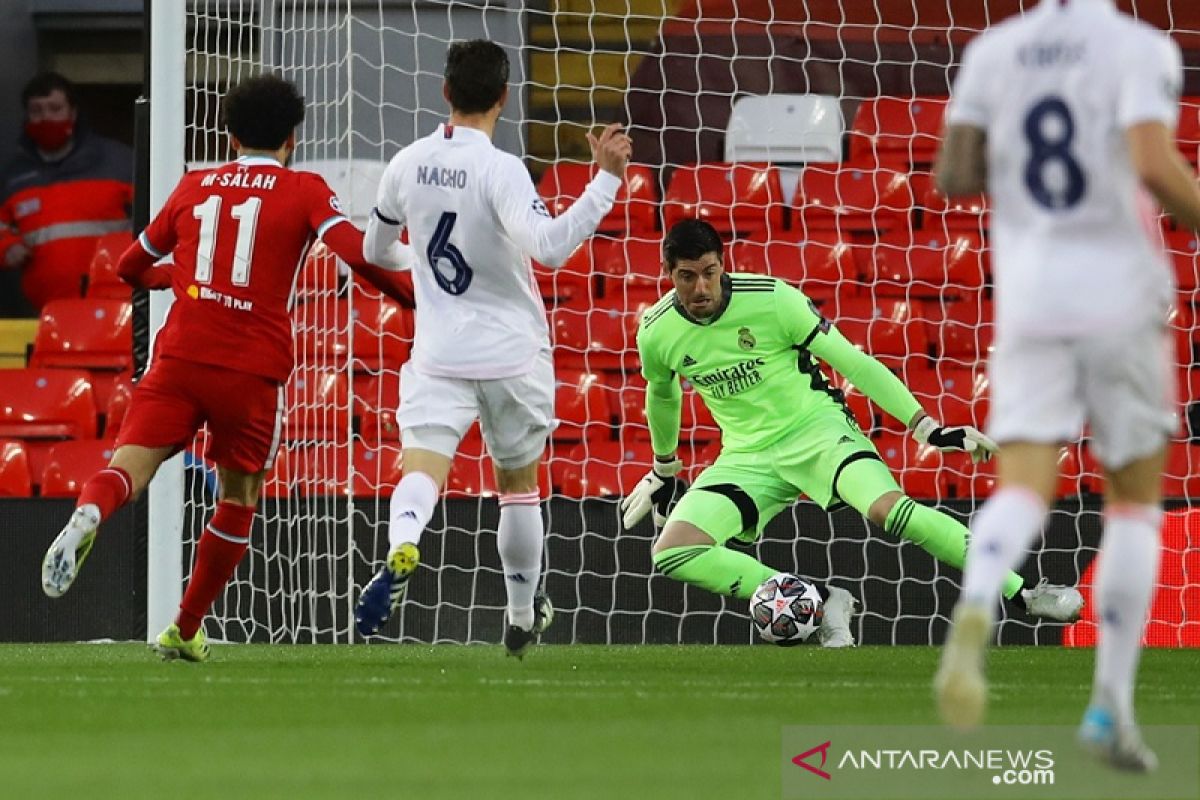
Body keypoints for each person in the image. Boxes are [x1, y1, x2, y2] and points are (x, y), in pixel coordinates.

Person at [39, 74, 412, 662]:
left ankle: (91, 511)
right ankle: (185, 629)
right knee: (239, 497)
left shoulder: (195, 184)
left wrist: (181, 282)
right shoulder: (305, 188)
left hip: (181, 354)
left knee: (127, 469)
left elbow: (132, 265)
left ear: (229, 134)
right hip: (251, 369)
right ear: (292, 137)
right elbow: (357, 254)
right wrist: (417, 298)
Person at [931, 0, 1200, 771]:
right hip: (1120, 294)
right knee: (1134, 504)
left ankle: (979, 597)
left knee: (1021, 487)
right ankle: (1110, 708)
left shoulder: (994, 49)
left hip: (1031, 296)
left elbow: (953, 176)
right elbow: (1151, 162)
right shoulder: (1138, 47)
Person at [621, 218, 1086, 647]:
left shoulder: (773, 300)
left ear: (723, 265)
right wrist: (664, 466)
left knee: (890, 511)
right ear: (668, 273)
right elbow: (662, 395)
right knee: (673, 552)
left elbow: (855, 363)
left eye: (709, 272)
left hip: (820, 432)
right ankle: (822, 601)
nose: (701, 287)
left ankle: (1024, 593)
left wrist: (926, 427)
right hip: (747, 456)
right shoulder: (658, 332)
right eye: (687, 276)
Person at [356, 39, 631, 658]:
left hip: (438, 355)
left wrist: (419, 262)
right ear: (504, 99)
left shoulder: (406, 162)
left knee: (422, 468)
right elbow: (551, 247)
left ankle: (404, 541)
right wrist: (605, 182)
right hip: (511, 356)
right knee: (518, 488)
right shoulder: (501, 167)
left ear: (445, 91)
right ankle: (517, 615)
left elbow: (375, 252)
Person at [0, 72, 134, 315]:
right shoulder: (14, 177)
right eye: (36, 111)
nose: (46, 118)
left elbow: (155, 216)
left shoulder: (119, 163)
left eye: (55, 108)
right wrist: (8, 246)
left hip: (115, 309)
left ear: (73, 113)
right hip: (42, 313)